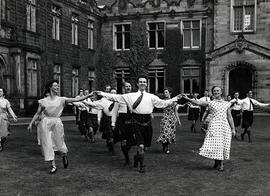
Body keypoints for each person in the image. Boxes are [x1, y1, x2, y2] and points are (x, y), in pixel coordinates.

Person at [97, 75, 181, 173]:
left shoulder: (151, 97)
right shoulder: (131, 96)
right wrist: (102, 93)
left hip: (148, 123)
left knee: (144, 146)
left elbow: (163, 103)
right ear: (137, 84)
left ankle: (137, 158)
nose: (142, 83)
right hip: (136, 122)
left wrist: (175, 98)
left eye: (144, 82)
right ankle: (142, 166)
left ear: (146, 84)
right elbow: (116, 97)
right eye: (140, 81)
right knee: (140, 145)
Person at [27, 80, 93, 174]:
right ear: (50, 87)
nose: (57, 87)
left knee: (59, 141)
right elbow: (38, 113)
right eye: (55, 86)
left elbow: (76, 99)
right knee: (47, 143)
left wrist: (88, 96)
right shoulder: (43, 101)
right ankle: (53, 166)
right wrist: (30, 123)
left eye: (58, 86)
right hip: (46, 123)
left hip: (57, 122)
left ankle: (63, 155)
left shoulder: (62, 99)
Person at [182, 86, 236, 171]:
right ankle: (218, 163)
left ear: (221, 92)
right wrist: (188, 98)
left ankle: (219, 163)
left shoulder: (227, 103)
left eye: (218, 91)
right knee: (216, 144)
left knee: (222, 144)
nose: (216, 92)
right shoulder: (210, 103)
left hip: (224, 126)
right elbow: (198, 102)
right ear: (212, 93)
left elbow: (229, 116)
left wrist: (233, 128)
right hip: (214, 125)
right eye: (214, 91)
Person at [83, 88, 118, 155]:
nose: (113, 94)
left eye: (114, 93)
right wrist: (84, 102)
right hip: (108, 119)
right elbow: (95, 104)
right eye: (112, 93)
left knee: (115, 135)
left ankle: (110, 142)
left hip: (117, 120)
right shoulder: (104, 100)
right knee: (110, 134)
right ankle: (112, 147)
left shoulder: (119, 100)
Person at [156, 87, 185, 154]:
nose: (165, 93)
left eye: (166, 92)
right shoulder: (163, 101)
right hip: (165, 118)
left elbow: (175, 112)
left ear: (170, 93)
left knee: (170, 133)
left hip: (172, 119)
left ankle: (167, 147)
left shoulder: (174, 102)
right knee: (165, 132)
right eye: (164, 92)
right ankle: (165, 145)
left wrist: (179, 120)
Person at [112, 82, 134, 165]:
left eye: (129, 86)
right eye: (126, 86)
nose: (128, 88)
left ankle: (126, 151)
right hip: (122, 121)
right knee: (123, 140)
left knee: (131, 141)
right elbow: (114, 111)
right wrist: (113, 123)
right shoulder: (119, 98)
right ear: (123, 88)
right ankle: (126, 158)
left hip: (131, 120)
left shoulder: (134, 97)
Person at [0, 87, 17, 152]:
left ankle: (1, 143)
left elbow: (9, 109)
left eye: (1, 91)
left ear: (3, 92)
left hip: (3, 117)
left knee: (4, 135)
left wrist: (13, 116)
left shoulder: (6, 101)